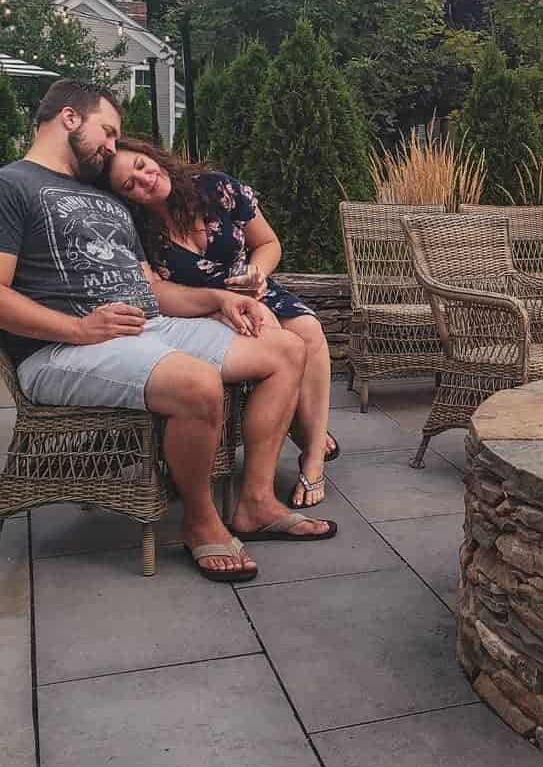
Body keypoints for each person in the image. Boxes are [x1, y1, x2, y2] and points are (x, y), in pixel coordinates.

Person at [0, 80, 335, 584]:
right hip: (60, 350)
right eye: (108, 132)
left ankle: (256, 504)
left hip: (148, 326)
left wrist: (222, 299)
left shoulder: (103, 197)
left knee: (285, 348)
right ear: (70, 119)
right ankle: (200, 522)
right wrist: (78, 327)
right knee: (197, 382)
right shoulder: (12, 185)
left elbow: (152, 291)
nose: (113, 146)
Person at [105, 138, 337, 510]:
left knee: (309, 329)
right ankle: (297, 423)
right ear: (126, 198)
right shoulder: (136, 228)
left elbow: (269, 243)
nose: (143, 179)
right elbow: (158, 292)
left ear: (152, 156)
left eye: (140, 165)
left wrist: (256, 273)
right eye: (129, 184)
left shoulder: (216, 188)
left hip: (252, 288)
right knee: (273, 335)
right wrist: (218, 302)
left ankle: (313, 456)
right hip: (200, 309)